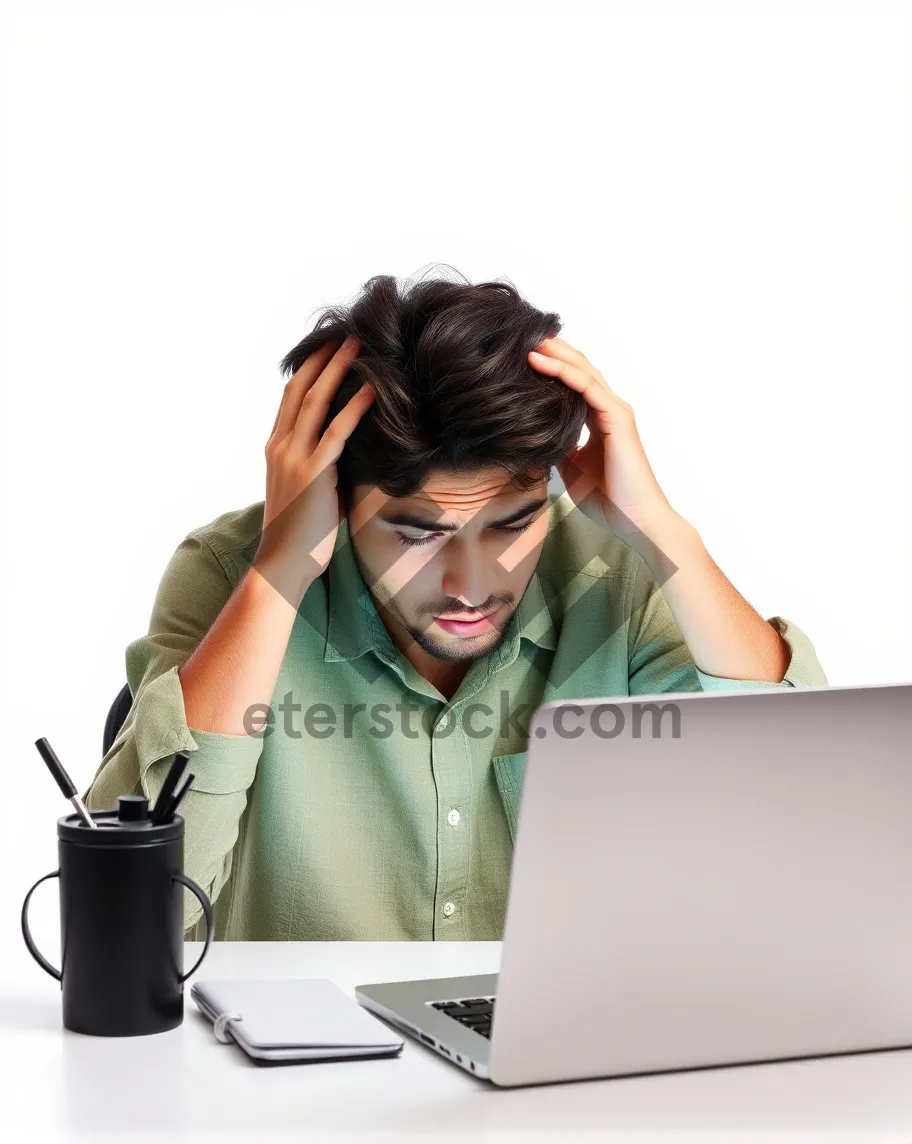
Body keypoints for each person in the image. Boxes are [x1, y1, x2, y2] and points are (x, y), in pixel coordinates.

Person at [84, 268, 828, 941]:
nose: (471, 583)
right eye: (417, 533)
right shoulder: (228, 576)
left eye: (512, 523)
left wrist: (665, 535)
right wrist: (279, 572)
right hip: (300, 1079)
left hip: (567, 1070)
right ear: (335, 500)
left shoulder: (617, 576)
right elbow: (139, 921)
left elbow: (795, 805)